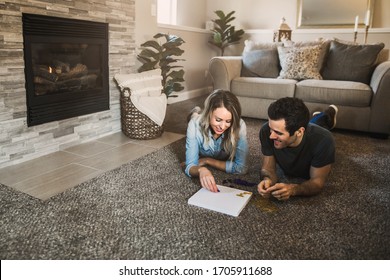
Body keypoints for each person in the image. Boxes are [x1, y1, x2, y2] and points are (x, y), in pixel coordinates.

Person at [257, 97, 338, 201]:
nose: (271, 136)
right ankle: (318, 116)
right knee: (313, 123)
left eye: (278, 133)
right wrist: (267, 179)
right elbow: (268, 168)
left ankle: (326, 115)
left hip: (316, 133)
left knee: (321, 125)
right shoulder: (265, 131)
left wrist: (294, 189)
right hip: (304, 128)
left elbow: (317, 182)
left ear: (299, 132)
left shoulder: (324, 141)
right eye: (270, 128)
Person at [184, 89, 248, 193]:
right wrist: (201, 170)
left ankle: (197, 113)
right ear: (209, 113)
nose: (222, 127)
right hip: (199, 120)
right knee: (194, 118)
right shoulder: (194, 125)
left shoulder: (239, 126)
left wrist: (207, 160)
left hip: (208, 152)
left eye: (228, 121)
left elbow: (242, 168)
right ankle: (194, 113)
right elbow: (190, 166)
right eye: (218, 120)